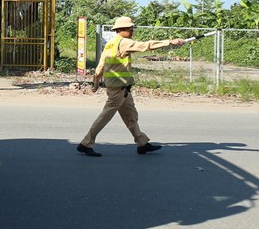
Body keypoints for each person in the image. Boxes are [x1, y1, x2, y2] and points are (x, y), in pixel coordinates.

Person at [77, 16, 185, 157]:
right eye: (130, 28)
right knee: (105, 116)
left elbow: (101, 65)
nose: (132, 31)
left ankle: (142, 144)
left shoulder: (110, 44)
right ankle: (86, 143)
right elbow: (145, 45)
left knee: (131, 116)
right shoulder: (124, 43)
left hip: (121, 89)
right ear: (121, 29)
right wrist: (170, 42)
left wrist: (96, 82)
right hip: (118, 90)